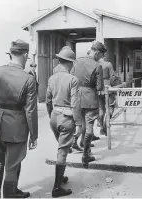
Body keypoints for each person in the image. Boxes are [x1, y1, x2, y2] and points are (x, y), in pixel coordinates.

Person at [0, 39, 38, 198]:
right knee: (12, 165)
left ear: (10, 54)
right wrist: (34, 135)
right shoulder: (28, 78)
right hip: (17, 128)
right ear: (25, 55)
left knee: (0, 162)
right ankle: (10, 195)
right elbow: (30, 111)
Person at [46, 47, 82, 197]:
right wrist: (79, 124)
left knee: (62, 149)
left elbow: (48, 100)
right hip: (67, 118)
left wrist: (51, 115)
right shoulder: (73, 79)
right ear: (70, 63)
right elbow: (75, 104)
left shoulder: (52, 78)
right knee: (63, 152)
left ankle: (60, 177)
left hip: (54, 116)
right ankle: (56, 188)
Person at [71, 41, 104, 166]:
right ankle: (85, 155)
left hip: (77, 97)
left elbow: (71, 78)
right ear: (97, 52)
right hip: (90, 98)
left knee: (82, 125)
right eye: (100, 55)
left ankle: (81, 145)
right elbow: (100, 87)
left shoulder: (77, 61)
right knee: (89, 127)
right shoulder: (97, 66)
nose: (100, 58)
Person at [97, 51, 115, 136]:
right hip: (107, 87)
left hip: (99, 88)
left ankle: (101, 128)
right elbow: (113, 77)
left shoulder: (96, 64)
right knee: (110, 107)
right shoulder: (108, 64)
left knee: (101, 109)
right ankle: (105, 125)